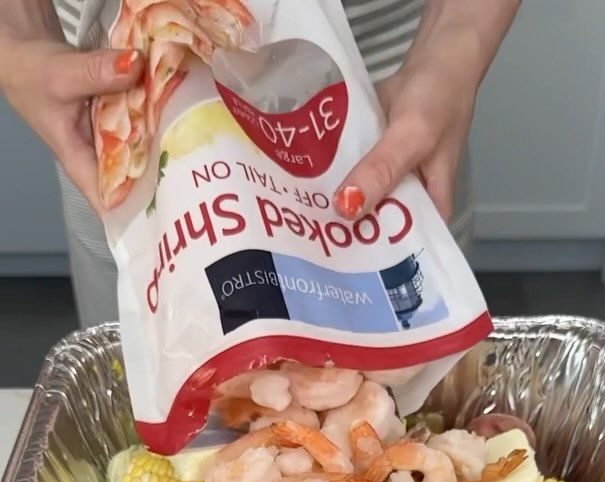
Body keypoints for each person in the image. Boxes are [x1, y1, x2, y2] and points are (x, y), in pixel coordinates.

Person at [0, 0, 520, 328]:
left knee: (407, 407)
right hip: (124, 125)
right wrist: (16, 32)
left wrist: (455, 45)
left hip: (382, 108)